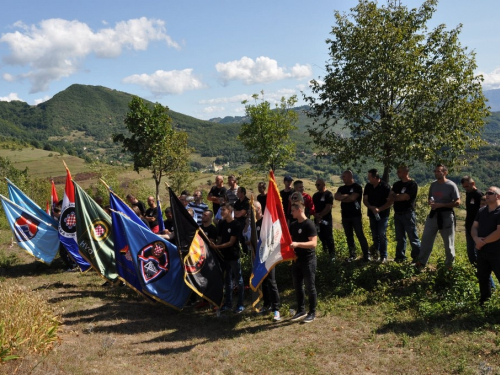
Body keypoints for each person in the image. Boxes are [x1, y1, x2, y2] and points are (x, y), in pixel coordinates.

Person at [417, 164, 460, 269]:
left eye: (438, 171)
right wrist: (431, 202)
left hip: (446, 216)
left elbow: (457, 202)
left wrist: (442, 205)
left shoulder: (451, 185)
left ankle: (449, 266)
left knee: (448, 243)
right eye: (435, 171)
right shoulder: (433, 185)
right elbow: (429, 198)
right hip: (433, 215)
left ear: (445, 172)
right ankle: (421, 263)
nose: (436, 173)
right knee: (426, 240)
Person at [211, 204, 245, 313]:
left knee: (238, 280)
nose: (221, 212)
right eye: (221, 210)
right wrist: (214, 245)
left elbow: (231, 242)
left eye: (223, 210)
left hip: (234, 256)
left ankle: (240, 304)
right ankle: (228, 304)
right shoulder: (222, 223)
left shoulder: (236, 224)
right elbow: (220, 238)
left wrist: (217, 246)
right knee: (227, 281)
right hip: (224, 257)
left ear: (230, 211)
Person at [289, 201, 318, 323]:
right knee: (298, 286)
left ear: (300, 210)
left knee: (310, 287)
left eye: (293, 210)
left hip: (308, 260)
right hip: (296, 260)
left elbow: (313, 243)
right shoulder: (294, 225)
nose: (291, 213)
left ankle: (312, 312)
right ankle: (301, 310)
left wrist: (298, 244)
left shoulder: (309, 224)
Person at [471, 186, 500, 305]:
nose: (486, 195)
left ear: (498, 196)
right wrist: (476, 238)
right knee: (483, 278)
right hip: (482, 251)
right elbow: (474, 227)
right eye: (486, 193)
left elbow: (498, 232)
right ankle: (484, 303)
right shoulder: (481, 211)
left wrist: (482, 242)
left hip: (497, 252)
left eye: (490, 193)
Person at [253, 201, 281, 321]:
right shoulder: (253, 224)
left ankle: (276, 309)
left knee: (271, 282)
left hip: (269, 256)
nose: (251, 212)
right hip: (259, 257)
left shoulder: (266, 222)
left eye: (253, 209)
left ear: (259, 209)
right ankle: (266, 304)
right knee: (263, 281)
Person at [335, 170, 370, 262]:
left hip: (355, 216)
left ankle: (367, 255)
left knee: (360, 235)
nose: (342, 178)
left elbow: (352, 198)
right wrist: (347, 197)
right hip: (345, 216)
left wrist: (344, 197)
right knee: (349, 236)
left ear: (350, 176)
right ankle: (352, 255)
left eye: (344, 177)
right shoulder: (341, 188)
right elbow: (336, 197)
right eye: (342, 177)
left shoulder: (357, 187)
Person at [390, 165, 421, 263]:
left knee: (413, 237)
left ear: (405, 173)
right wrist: (398, 196)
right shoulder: (396, 184)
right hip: (397, 214)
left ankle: (417, 258)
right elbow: (391, 196)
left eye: (399, 172)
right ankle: (400, 257)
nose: (397, 173)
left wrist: (397, 196)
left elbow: (405, 197)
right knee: (400, 238)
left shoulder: (412, 184)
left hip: (408, 214)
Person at [363, 169, 392, 263]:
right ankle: (376, 254)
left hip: (383, 215)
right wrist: (371, 207)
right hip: (372, 215)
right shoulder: (368, 186)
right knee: (375, 235)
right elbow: (365, 200)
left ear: (375, 178)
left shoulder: (385, 187)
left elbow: (390, 202)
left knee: (381, 234)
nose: (368, 179)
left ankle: (384, 256)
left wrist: (380, 209)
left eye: (369, 177)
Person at [461, 176, 484, 267]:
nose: (466, 189)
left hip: (477, 227)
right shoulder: (468, 193)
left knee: (477, 251)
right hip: (469, 226)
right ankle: (475, 271)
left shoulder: (479, 195)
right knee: (470, 252)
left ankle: (480, 272)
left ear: (473, 184)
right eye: (464, 187)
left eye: (467, 186)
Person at [312, 178, 336, 260]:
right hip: (317, 220)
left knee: (328, 236)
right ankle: (325, 252)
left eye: (318, 185)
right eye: (316, 185)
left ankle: (332, 254)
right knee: (321, 236)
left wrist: (320, 215)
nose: (317, 186)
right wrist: (315, 215)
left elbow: (328, 207)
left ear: (323, 184)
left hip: (326, 220)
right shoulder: (315, 195)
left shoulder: (328, 194)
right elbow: (313, 207)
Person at [234, 187, 250, 253]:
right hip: (237, 223)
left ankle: (245, 252)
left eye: (238, 192)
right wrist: (239, 212)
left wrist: (238, 213)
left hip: (244, 223)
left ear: (242, 193)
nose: (237, 193)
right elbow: (233, 213)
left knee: (243, 239)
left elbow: (240, 214)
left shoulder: (247, 202)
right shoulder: (237, 202)